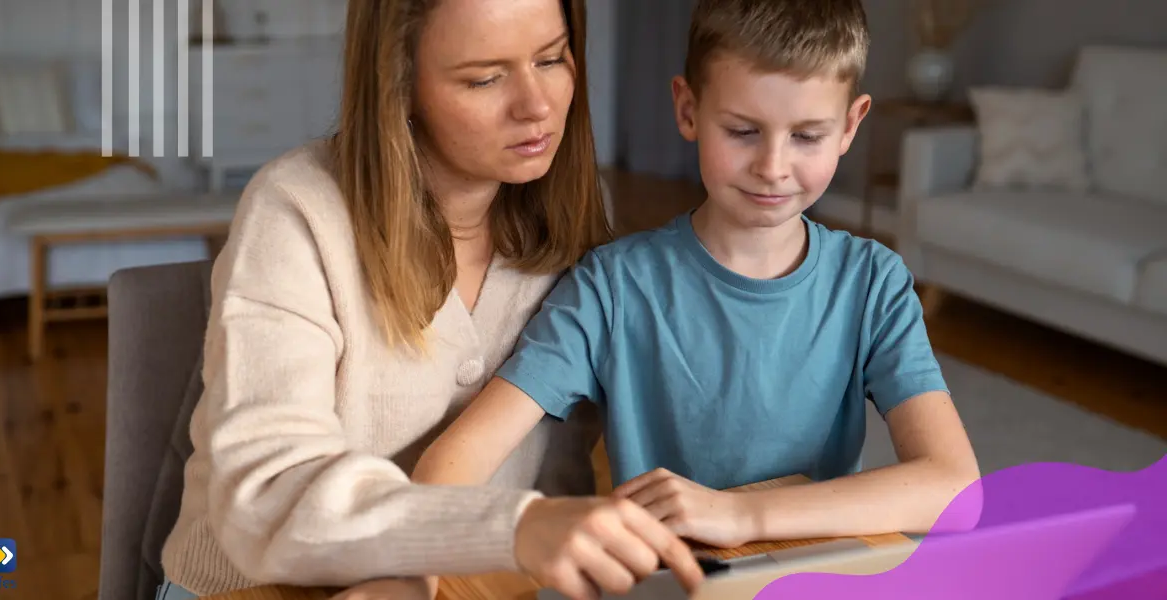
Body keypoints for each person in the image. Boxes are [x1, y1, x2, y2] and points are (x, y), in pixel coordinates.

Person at [154, 1, 705, 600]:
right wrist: (512, 527)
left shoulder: (573, 208)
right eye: (485, 78)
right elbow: (265, 492)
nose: (537, 106)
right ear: (399, 84)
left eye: (552, 58)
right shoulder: (295, 210)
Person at [413, 0, 982, 573]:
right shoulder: (612, 287)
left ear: (851, 126)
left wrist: (740, 517)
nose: (773, 166)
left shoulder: (873, 284)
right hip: (676, 581)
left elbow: (957, 492)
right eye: (742, 131)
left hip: (818, 579)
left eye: (808, 136)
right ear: (687, 109)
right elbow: (452, 464)